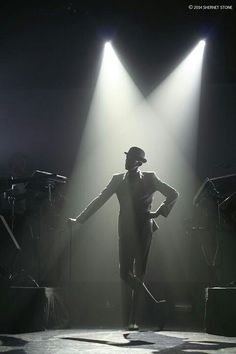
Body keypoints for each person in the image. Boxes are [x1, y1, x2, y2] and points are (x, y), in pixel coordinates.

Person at [69, 146, 179, 330]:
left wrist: (161, 210)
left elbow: (173, 194)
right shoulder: (117, 179)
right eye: (127, 157)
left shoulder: (150, 177)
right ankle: (155, 306)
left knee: (140, 274)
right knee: (124, 273)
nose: (127, 161)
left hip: (145, 228)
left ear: (139, 162)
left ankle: (133, 321)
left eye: (131, 159)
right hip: (125, 229)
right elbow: (99, 200)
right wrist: (79, 220)